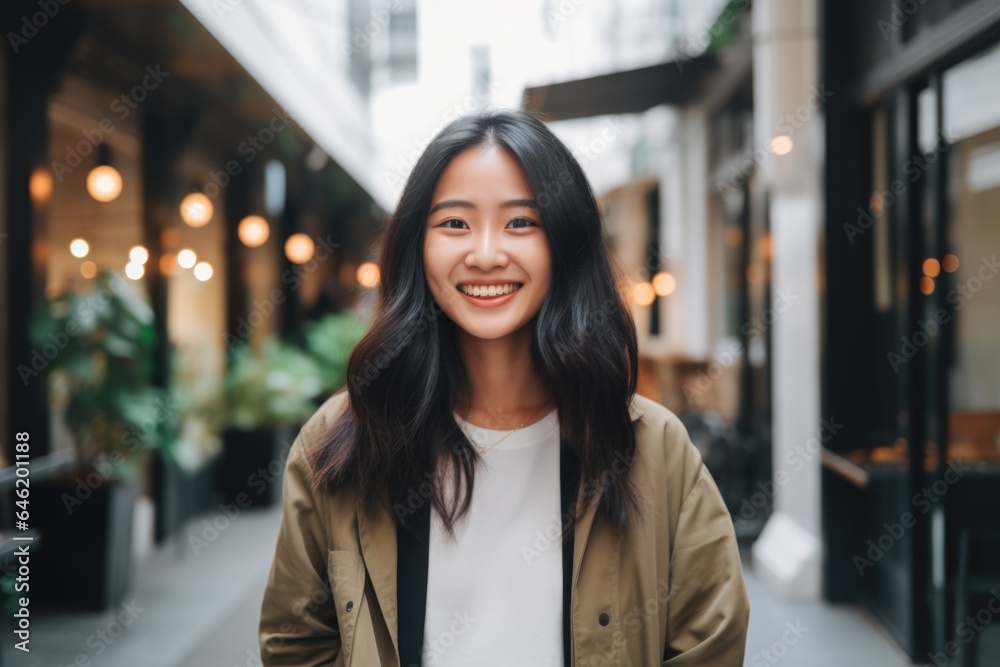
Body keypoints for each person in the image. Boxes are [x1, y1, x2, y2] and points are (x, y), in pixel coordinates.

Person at [258, 108, 750, 666]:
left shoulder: (652, 446)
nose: (487, 254)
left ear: (564, 242)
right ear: (416, 246)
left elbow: (711, 640)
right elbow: (295, 643)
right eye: (454, 224)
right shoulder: (343, 436)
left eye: (521, 223)